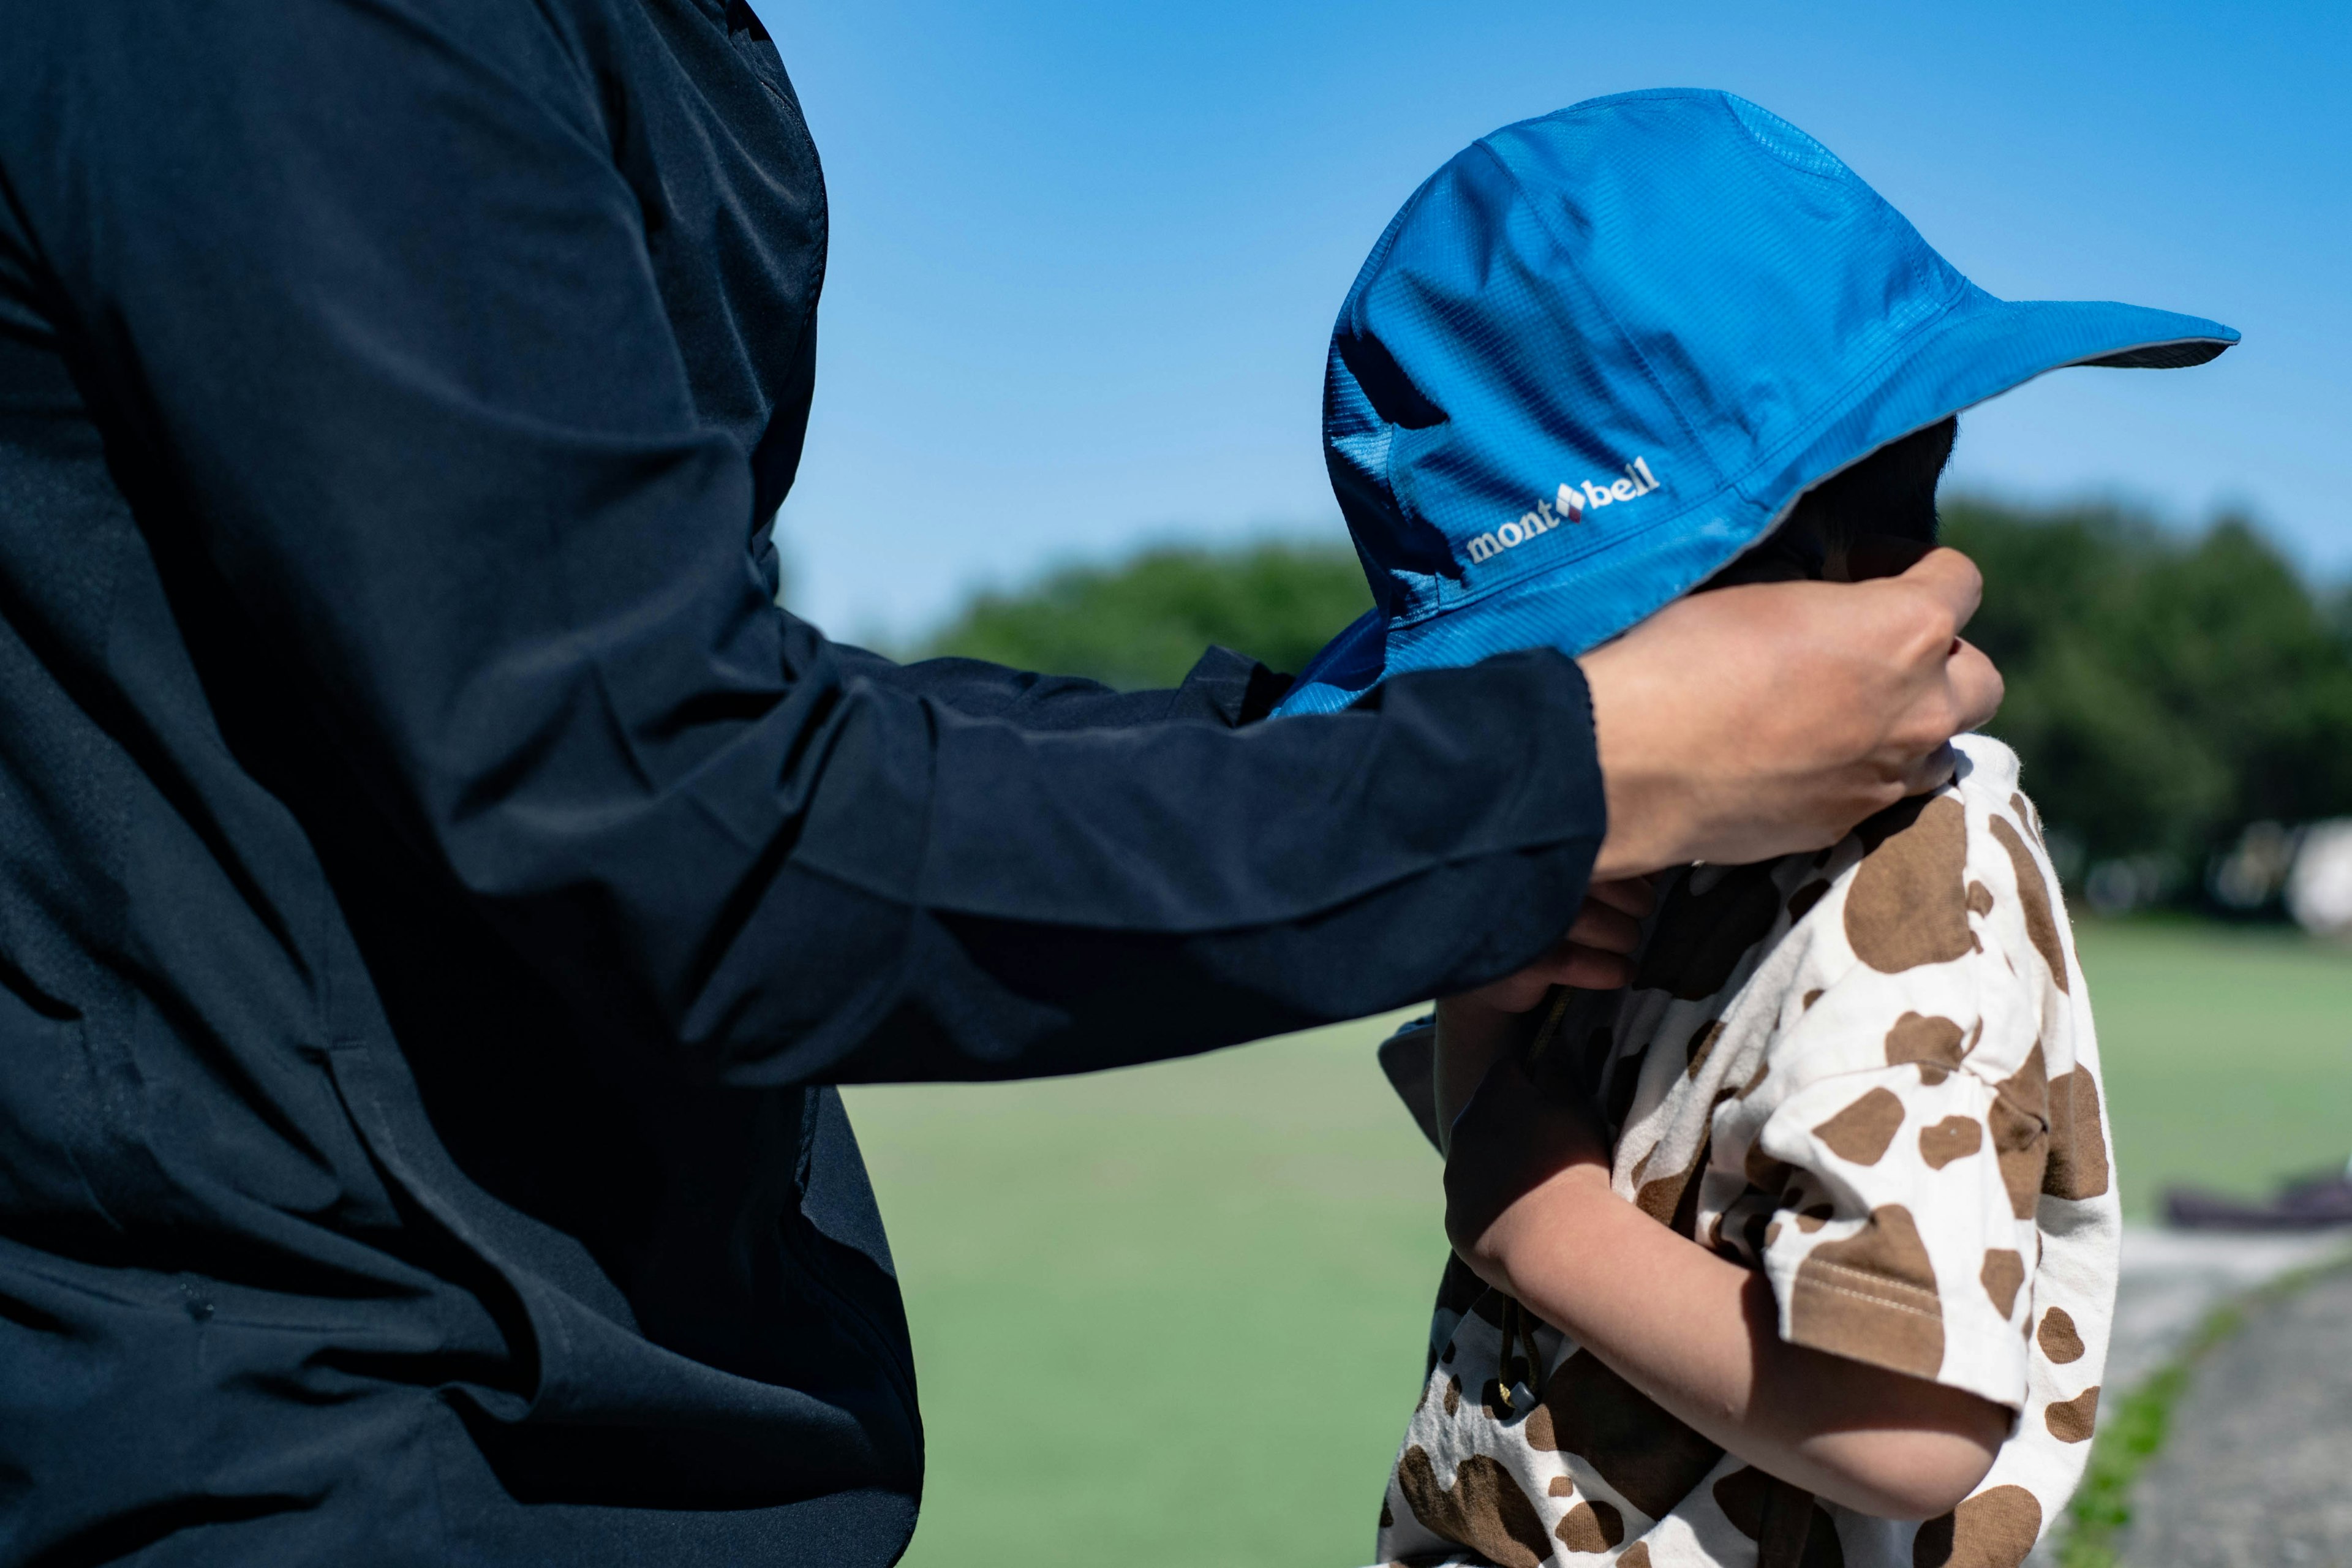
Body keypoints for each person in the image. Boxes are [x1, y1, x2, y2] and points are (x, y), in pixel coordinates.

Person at [0, 14, 2003, 1563]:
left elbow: (697, 707)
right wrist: (1552, 781)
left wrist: (1429, 765)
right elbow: (675, 819)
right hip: (334, 1447)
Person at [1298, 93, 2235, 1568]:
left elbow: (1902, 1426)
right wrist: (1491, 992)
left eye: (1554, 672)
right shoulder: (1654, 839)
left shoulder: (1914, 878)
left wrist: (1534, 1223)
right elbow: (1514, 1132)